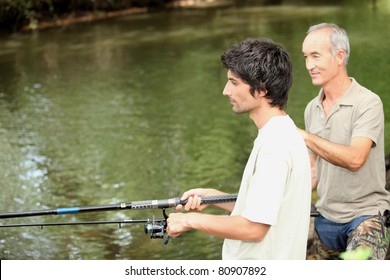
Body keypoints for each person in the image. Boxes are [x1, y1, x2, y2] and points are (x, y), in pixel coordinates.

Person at [166, 38, 312, 259]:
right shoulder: (281, 133)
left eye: (234, 83)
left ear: (261, 89)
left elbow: (254, 228)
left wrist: (190, 220)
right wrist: (214, 197)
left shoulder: (275, 146)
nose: (226, 91)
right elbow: (268, 208)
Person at [299, 23, 390, 259]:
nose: (309, 65)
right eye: (306, 57)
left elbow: (355, 159)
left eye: (316, 56)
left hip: (367, 217)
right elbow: (313, 170)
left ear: (340, 56)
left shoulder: (368, 103)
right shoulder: (312, 108)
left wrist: (305, 136)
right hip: (325, 220)